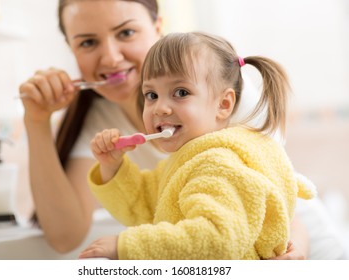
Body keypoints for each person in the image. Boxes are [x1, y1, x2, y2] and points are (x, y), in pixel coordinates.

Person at [19, 0, 346, 259]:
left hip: (306, 252)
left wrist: (296, 252)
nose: (111, 56)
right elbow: (69, 235)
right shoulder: (97, 117)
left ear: (157, 26)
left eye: (126, 33)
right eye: (88, 42)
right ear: (72, 50)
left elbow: (271, 202)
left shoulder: (223, 94)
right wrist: (36, 120)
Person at [78, 32, 315, 260]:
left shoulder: (218, 167)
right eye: (151, 95)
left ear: (223, 104)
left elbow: (217, 240)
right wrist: (112, 167)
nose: (160, 108)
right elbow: (143, 206)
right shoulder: (188, 162)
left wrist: (126, 246)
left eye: (180, 92)